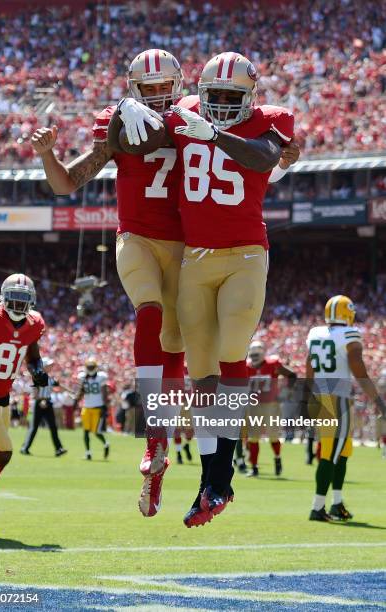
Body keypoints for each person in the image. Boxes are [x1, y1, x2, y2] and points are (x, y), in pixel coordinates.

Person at [122, 51, 296, 527]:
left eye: (229, 96)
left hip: (244, 254)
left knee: (233, 352)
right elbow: (141, 135)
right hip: (195, 258)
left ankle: (220, 478)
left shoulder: (270, 119)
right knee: (202, 378)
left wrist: (216, 134)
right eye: (213, 95)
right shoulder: (184, 116)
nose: (218, 103)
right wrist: (124, 108)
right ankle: (210, 482)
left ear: (251, 96)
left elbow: (266, 155)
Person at [31, 49, 187, 517]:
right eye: (150, 87)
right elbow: (67, 184)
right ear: (134, 88)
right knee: (149, 315)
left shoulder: (195, 117)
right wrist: (47, 155)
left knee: (176, 350)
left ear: (178, 84)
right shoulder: (117, 123)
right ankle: (152, 439)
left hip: (185, 245)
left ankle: (158, 466)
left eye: (166, 86)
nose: (159, 95)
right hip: (137, 237)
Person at [0, 274, 47, 536]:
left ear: (32, 301)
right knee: (3, 452)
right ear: (3, 298)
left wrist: (38, 371)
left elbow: (33, 356)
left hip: (2, 398)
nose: (18, 303)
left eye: (23, 299)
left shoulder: (35, 323)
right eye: (14, 298)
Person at [304, 295, 386, 522]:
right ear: (347, 313)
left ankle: (336, 503)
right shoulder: (349, 334)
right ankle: (317, 506)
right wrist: (378, 402)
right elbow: (359, 370)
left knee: (343, 451)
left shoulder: (315, 333)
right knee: (331, 453)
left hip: (320, 396)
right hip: (337, 398)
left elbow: (309, 365)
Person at [243, 340, 297, 477]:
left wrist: (285, 393)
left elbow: (292, 375)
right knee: (253, 438)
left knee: (273, 435)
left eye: (257, 354)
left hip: (271, 405)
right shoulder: (247, 367)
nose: (254, 357)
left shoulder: (273, 364)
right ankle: (254, 467)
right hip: (254, 406)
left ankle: (277, 458)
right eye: (253, 354)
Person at [20, 357, 67, 457]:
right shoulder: (38, 377)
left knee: (53, 427)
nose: (50, 367)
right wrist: (41, 400)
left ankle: (58, 448)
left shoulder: (49, 378)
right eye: (49, 365)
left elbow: (59, 386)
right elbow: (35, 392)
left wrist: (71, 392)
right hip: (39, 403)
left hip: (48, 403)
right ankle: (25, 448)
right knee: (34, 427)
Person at [74, 357, 110, 460]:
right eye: (89, 367)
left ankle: (106, 443)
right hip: (86, 407)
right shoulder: (82, 377)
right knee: (85, 431)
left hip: (98, 407)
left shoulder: (101, 377)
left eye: (91, 367)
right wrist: (77, 398)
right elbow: (81, 391)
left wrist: (105, 407)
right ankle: (88, 452)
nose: (90, 368)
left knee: (96, 432)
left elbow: (104, 393)